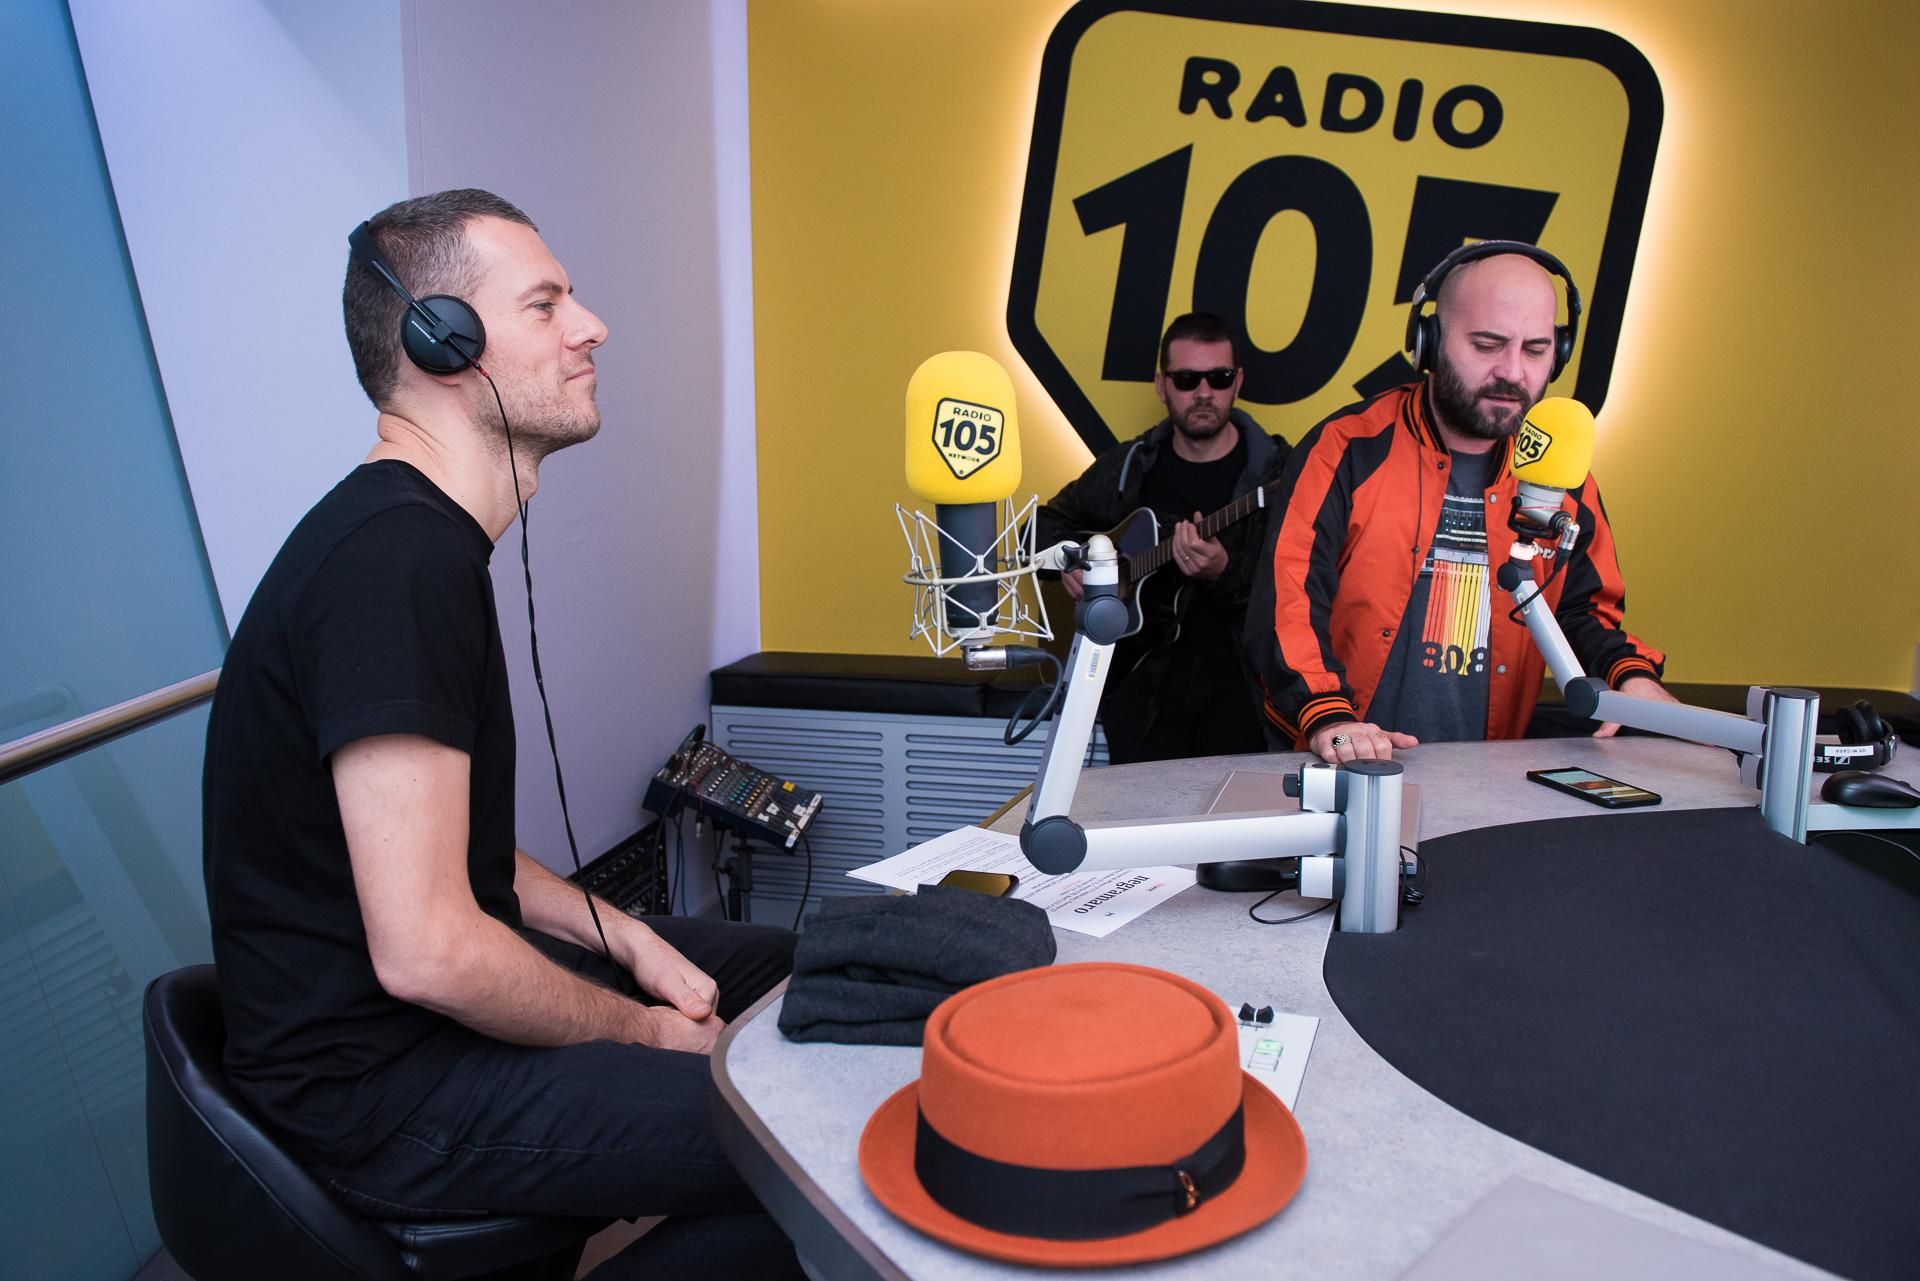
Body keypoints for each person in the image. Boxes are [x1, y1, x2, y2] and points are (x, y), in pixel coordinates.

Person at [201, 190, 801, 1278]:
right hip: (384, 1094)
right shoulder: (394, 566)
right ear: (443, 340)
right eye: (545, 304)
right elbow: (429, 947)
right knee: (813, 1129)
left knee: (792, 971)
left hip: (421, 1036)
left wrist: (626, 938)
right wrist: (641, 1029)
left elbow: (453, 856)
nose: (592, 327)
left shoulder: (417, 542)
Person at [1247, 245, 1673, 766]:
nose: (1512, 371)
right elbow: (1288, 601)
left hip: (1487, 782)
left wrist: (1629, 675)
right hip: (1343, 768)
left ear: (1558, 355)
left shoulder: (1565, 481)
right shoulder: (1345, 448)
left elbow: (1582, 612)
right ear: (1428, 342)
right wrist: (1329, 717)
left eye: (1536, 349)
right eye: (1487, 345)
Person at [1034, 313, 1289, 763]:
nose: (1204, 392)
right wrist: (1072, 561)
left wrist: (1224, 572)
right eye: (1187, 379)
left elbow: (1299, 587)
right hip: (1143, 705)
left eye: (1218, 378)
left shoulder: (1277, 474)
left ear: (1238, 381)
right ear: (1161, 385)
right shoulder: (1130, 468)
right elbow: (1040, 526)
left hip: (1243, 703)